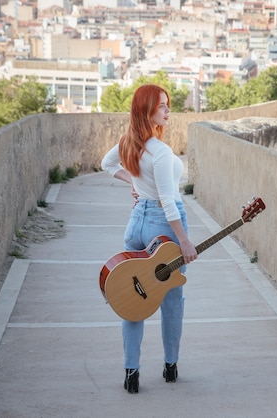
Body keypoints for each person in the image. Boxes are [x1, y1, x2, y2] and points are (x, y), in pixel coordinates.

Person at [101, 83, 198, 394]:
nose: (168, 111)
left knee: (132, 298)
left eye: (168, 105)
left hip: (137, 222)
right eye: (162, 106)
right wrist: (183, 240)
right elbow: (169, 202)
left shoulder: (131, 141)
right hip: (163, 226)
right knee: (171, 299)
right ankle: (171, 366)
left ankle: (131, 372)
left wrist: (134, 181)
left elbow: (107, 164)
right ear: (146, 111)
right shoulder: (160, 152)